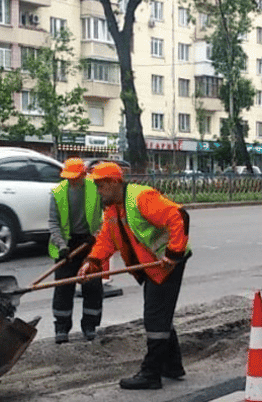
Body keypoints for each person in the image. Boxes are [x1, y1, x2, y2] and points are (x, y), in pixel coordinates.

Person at [78, 161, 191, 390]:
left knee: (155, 318)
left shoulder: (141, 198)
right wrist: (93, 261)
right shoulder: (113, 208)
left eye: (100, 187)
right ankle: (173, 366)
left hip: (166, 264)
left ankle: (151, 374)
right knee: (159, 314)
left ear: (113, 182)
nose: (98, 192)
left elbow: (178, 216)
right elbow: (107, 240)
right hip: (151, 265)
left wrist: (173, 254)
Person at [47, 158, 104, 344]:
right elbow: (54, 222)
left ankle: (90, 326)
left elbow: (107, 213)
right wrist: (62, 246)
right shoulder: (58, 192)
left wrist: (96, 234)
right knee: (63, 287)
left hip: (90, 243)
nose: (72, 181)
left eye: (75, 177)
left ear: (83, 174)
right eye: (69, 177)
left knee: (92, 286)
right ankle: (61, 328)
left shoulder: (94, 188)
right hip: (67, 244)